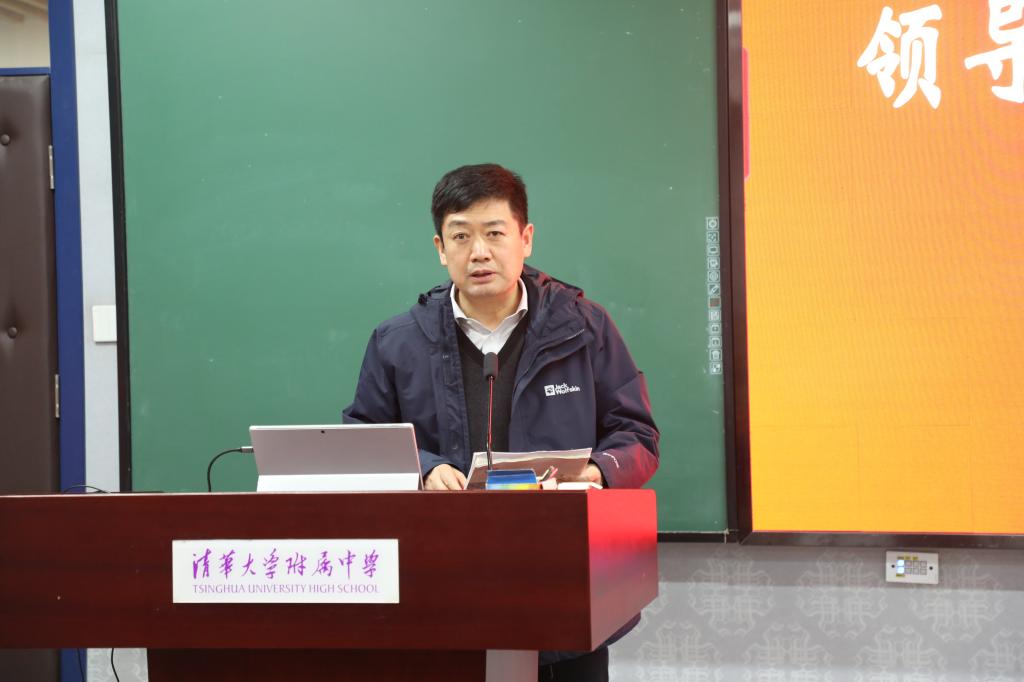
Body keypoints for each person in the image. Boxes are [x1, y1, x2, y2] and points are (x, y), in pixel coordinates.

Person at [343, 163, 659, 681]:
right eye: (460, 236)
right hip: (440, 590)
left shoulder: (584, 328)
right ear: (440, 248)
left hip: (564, 589)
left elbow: (638, 435)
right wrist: (424, 468)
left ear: (525, 238)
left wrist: (597, 472)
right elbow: (364, 440)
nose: (479, 252)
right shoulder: (398, 341)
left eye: (494, 233)